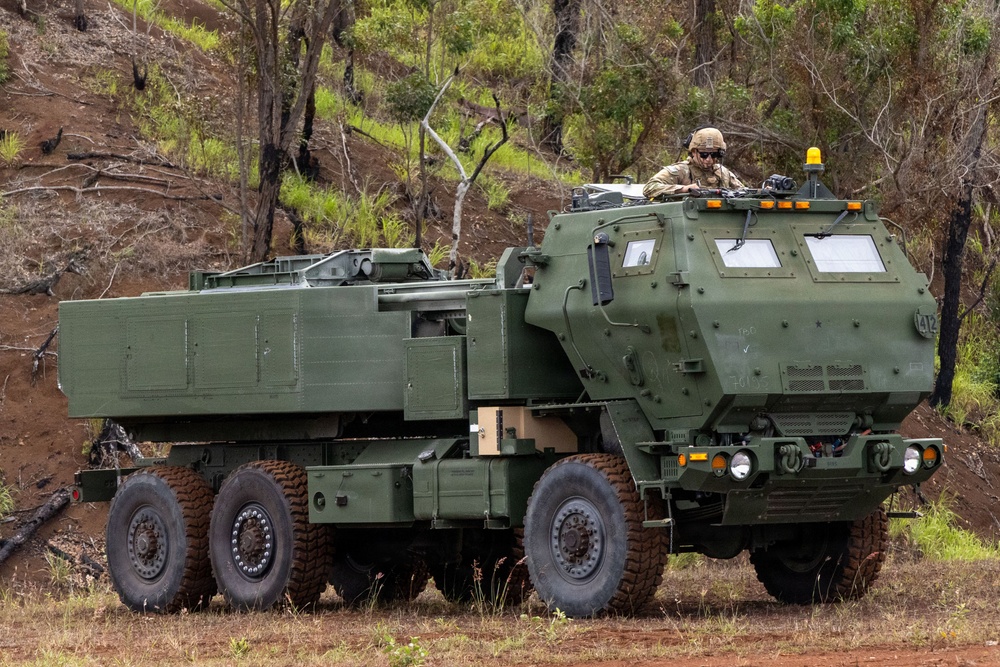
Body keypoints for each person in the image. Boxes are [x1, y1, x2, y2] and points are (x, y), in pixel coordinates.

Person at [643, 127, 745, 199]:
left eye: (714, 154)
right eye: (704, 154)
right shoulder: (681, 171)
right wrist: (684, 189)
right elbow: (649, 188)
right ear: (694, 152)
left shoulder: (723, 173)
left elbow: (744, 192)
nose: (709, 159)